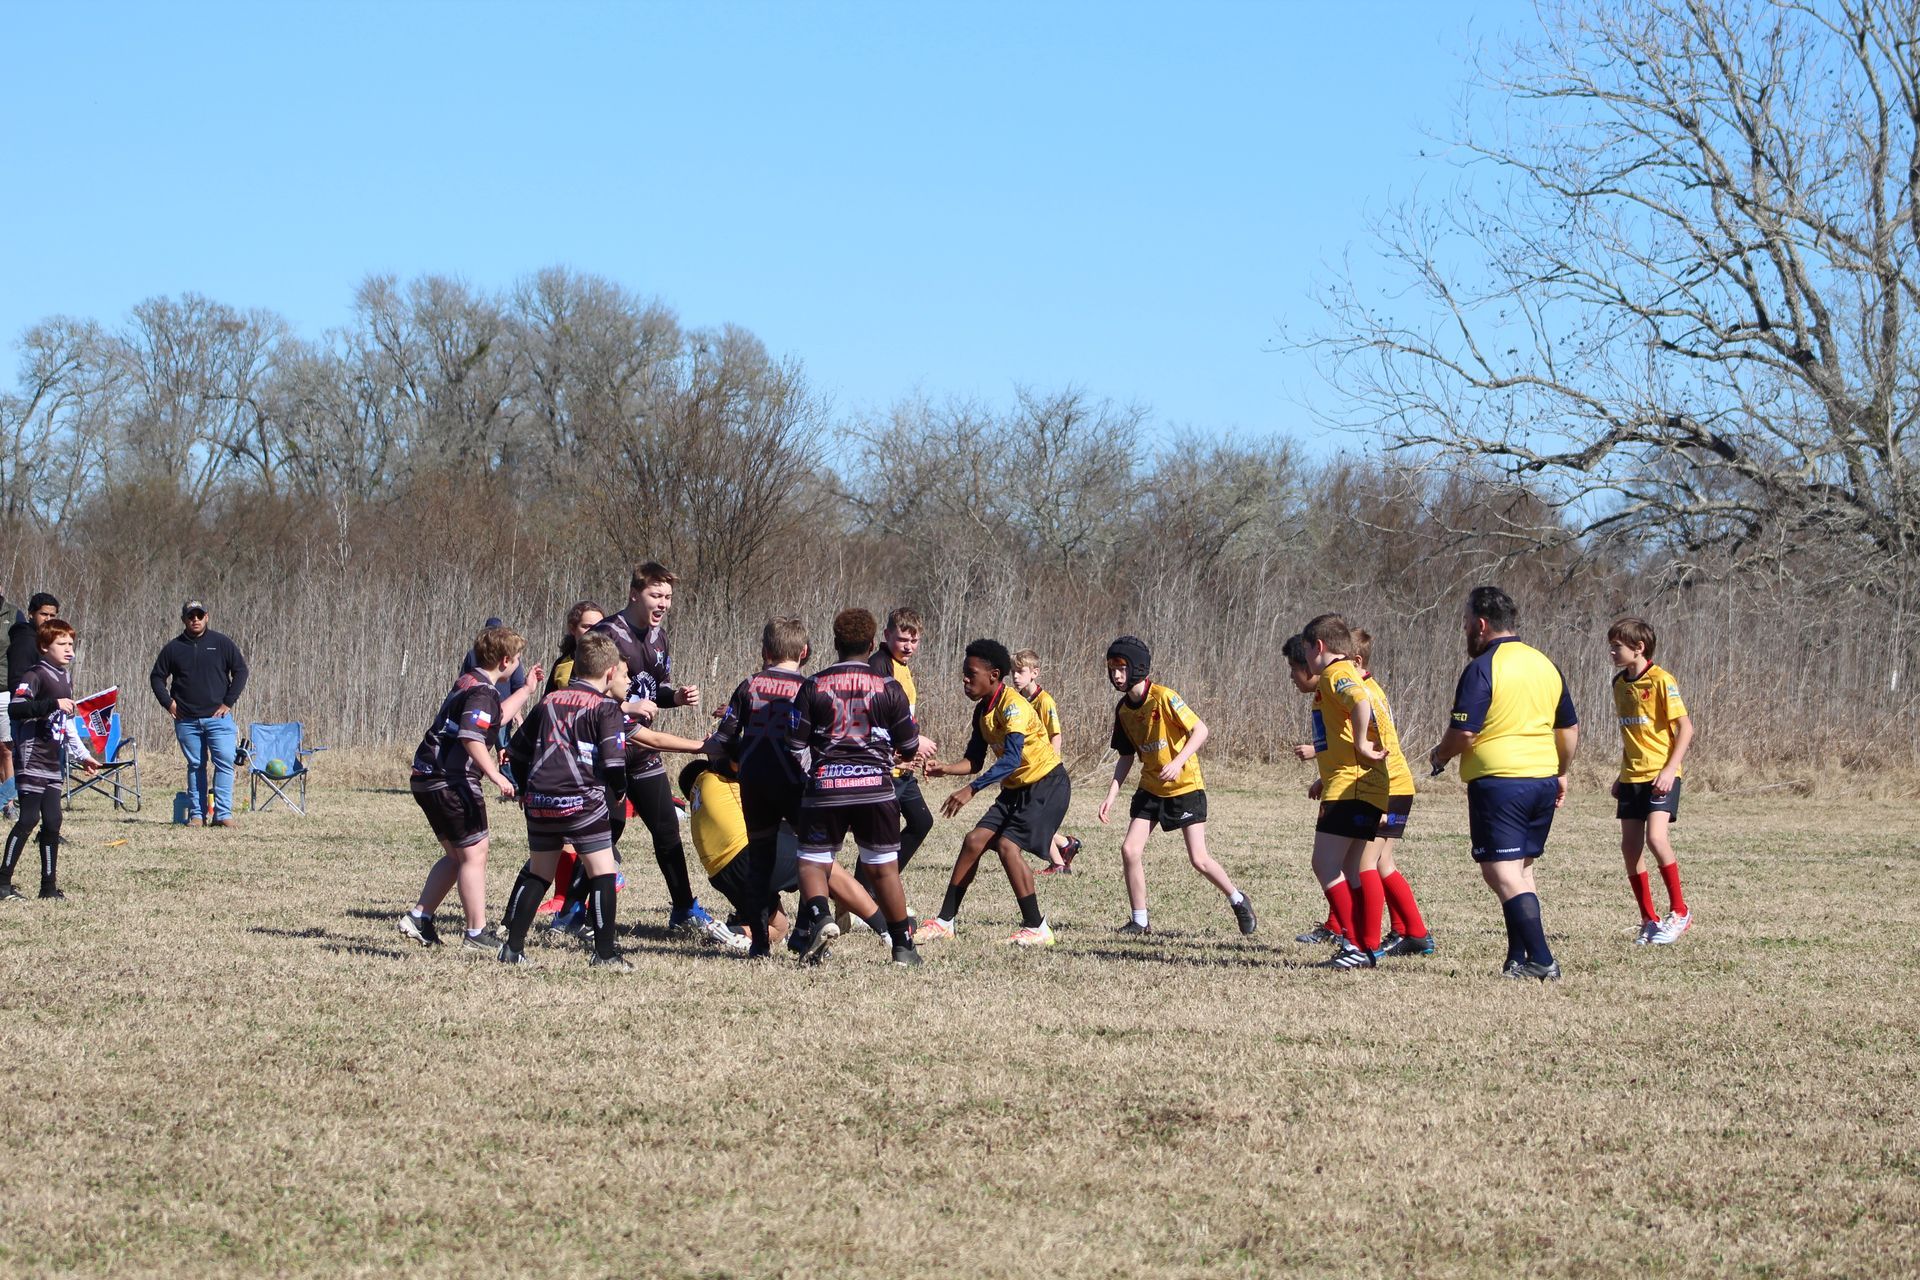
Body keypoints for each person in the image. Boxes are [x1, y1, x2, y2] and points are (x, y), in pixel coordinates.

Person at [1428, 586, 1578, 982]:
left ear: (1480, 624)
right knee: (1520, 870)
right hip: (1542, 778)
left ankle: (1542, 960)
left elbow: (1464, 734)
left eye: (1464, 624)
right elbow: (1569, 729)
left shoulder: (1482, 668)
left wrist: (1440, 756)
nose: (1464, 631)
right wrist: (1561, 770)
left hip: (1500, 782)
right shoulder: (1545, 664)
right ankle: (1518, 955)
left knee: (1501, 872)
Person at [587, 562, 733, 947]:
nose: (663, 603)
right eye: (656, 595)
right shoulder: (607, 635)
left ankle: (683, 907)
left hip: (643, 753)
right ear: (635, 593)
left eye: (667, 597)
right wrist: (624, 711)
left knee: (667, 829)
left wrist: (675, 697)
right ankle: (574, 910)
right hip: (611, 752)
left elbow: (652, 692)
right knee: (607, 831)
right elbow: (584, 696)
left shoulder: (658, 637)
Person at [783, 608, 926, 966]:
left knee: (814, 862)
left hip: (827, 785)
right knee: (883, 868)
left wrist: (814, 774)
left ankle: (820, 917)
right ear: (871, 643)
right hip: (875, 788)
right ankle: (903, 947)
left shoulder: (813, 685)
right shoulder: (889, 687)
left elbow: (794, 744)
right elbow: (909, 746)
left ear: (835, 643)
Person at [1097, 635, 1256, 937]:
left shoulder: (1165, 697)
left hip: (1184, 786)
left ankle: (1238, 899)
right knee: (1129, 850)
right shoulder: (1123, 711)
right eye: (1111, 668)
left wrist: (1178, 760)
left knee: (1198, 859)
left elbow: (1201, 729)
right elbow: (1126, 757)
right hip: (1150, 787)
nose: (1116, 675)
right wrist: (1111, 796)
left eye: (1121, 668)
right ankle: (1140, 921)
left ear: (1137, 668)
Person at [397, 624, 540, 950]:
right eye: (518, 658)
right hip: (451, 780)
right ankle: (476, 933)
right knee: (474, 854)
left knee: (457, 855)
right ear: (505, 661)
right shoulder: (482, 692)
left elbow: (497, 718)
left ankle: (420, 918)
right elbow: (472, 738)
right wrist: (497, 775)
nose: (519, 663)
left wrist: (527, 690)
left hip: (427, 778)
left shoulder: (470, 681)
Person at [494, 631, 632, 968]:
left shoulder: (548, 702)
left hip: (540, 800)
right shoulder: (605, 708)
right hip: (581, 800)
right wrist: (619, 791)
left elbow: (514, 752)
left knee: (539, 873)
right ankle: (605, 954)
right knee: (602, 872)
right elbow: (614, 763)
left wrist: (527, 789)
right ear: (610, 672)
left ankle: (512, 949)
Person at [917, 639, 1068, 947]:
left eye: (971, 673)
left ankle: (1036, 927)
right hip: (1015, 788)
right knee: (974, 841)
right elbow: (974, 761)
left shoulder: (1013, 706)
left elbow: (1012, 759)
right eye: (964, 672)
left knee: (1007, 846)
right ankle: (945, 922)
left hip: (1046, 785)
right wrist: (945, 768)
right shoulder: (982, 711)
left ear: (994, 675)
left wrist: (970, 791)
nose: (965, 679)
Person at [710, 616, 816, 957]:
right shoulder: (810, 687)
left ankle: (758, 942)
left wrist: (739, 757)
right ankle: (804, 930)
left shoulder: (748, 685)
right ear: (803, 652)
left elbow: (724, 737)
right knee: (812, 858)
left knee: (759, 860)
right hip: (795, 783)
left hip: (755, 784)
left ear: (765, 650)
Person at [1298, 614, 1392, 971]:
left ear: (1318, 647)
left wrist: (1361, 745)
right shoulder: (1344, 674)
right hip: (1365, 785)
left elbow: (1360, 702)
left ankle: (1352, 944)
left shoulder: (1337, 673)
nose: (1305, 660)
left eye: (1306, 652)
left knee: (1324, 864)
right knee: (1352, 870)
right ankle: (1363, 947)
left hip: (1351, 785)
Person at [1608, 617, 1695, 945]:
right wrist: (1621, 775)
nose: (1612, 652)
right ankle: (1649, 919)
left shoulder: (1661, 680)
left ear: (1638, 648)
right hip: (1632, 777)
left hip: (1661, 776)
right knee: (1630, 848)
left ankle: (1680, 911)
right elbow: (1633, 737)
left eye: (1617, 646)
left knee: (1656, 839)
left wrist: (1670, 769)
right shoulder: (1619, 684)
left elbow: (1686, 729)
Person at [1350, 628, 1434, 958]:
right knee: (1383, 862)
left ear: (1356, 661)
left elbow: (1378, 745)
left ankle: (1366, 946)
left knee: (1365, 863)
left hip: (1390, 787)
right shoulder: (1371, 688)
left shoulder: (1363, 695)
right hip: (1399, 785)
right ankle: (1413, 932)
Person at [0, 618, 94, 900]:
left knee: (53, 820)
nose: (70, 650)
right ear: (44, 647)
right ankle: (3, 883)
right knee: (28, 817)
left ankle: (48, 888)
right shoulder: (34, 675)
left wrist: (84, 755)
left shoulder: (65, 677)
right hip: (31, 758)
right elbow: (16, 709)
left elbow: (66, 723)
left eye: (71, 644)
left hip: (53, 759)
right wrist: (51, 703)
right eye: (62, 644)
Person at [148, 600, 250, 828]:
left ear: (207, 617)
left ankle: (223, 815)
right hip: (186, 719)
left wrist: (228, 702)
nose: (195, 619)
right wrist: (168, 703)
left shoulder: (221, 643)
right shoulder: (174, 648)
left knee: (224, 762)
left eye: (199, 615)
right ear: (184, 619)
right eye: (190, 616)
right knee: (196, 765)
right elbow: (157, 677)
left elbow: (241, 671)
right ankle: (197, 815)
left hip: (219, 719)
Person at [865, 608, 937, 895]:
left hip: (902, 765)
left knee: (921, 821)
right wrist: (913, 741)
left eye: (914, 640)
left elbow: (905, 714)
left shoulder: (902, 666)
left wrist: (911, 749)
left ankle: (882, 885)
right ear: (886, 636)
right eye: (903, 639)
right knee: (878, 836)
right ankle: (865, 895)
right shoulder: (879, 665)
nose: (909, 646)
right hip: (884, 766)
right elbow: (879, 716)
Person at [1011, 649, 1080, 874]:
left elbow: (1055, 735)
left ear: (1034, 673)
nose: (1015, 677)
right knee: (1022, 815)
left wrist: (1050, 767)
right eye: (1013, 672)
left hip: (1044, 771)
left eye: (1020, 672)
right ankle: (1065, 845)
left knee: (1035, 819)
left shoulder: (1045, 701)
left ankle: (1059, 863)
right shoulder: (1018, 700)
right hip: (1026, 770)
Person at [0, 593, 60, 808]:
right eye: (43, 614)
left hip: (44, 712)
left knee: (37, 768)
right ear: (31, 613)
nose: (48, 618)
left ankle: (44, 820)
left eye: (52, 615)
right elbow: (19, 682)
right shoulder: (26, 640)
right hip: (25, 712)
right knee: (24, 765)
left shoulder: (48, 640)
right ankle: (12, 805)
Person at [543, 600, 606, 699]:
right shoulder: (562, 664)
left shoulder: (612, 664)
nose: (593, 631)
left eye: (598, 626)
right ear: (572, 629)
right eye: (586, 627)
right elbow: (547, 702)